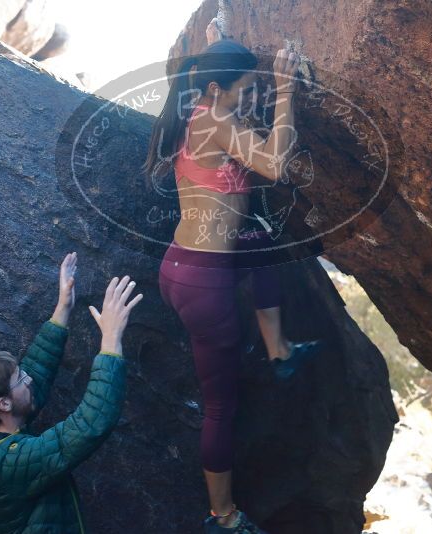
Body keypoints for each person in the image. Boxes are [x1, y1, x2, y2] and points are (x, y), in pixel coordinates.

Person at [142, 19, 323, 534]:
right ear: (220, 89)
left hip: (186, 263)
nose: (251, 99)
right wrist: (285, 93)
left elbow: (204, 69)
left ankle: (278, 348)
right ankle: (223, 516)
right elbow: (274, 163)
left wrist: (216, 32)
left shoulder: (199, 105)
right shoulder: (218, 123)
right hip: (202, 285)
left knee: (259, 240)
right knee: (221, 406)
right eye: (246, 90)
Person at [0, 252, 143, 533]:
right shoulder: (11, 462)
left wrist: (63, 309)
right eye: (20, 379)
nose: (29, 379)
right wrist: (110, 341)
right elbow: (89, 425)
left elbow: (37, 371)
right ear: (4, 404)